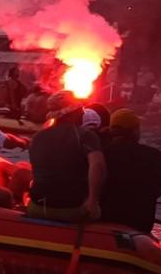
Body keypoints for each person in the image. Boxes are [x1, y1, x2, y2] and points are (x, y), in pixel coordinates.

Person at [27, 91, 106, 222]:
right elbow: (97, 165)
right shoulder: (85, 135)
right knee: (98, 212)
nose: (83, 112)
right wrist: (92, 200)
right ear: (73, 112)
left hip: (37, 207)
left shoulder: (37, 137)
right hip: (70, 209)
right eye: (80, 109)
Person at [99, 109, 161, 234]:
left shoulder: (101, 154)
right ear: (134, 131)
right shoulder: (154, 155)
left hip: (104, 217)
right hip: (140, 223)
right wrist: (144, 198)